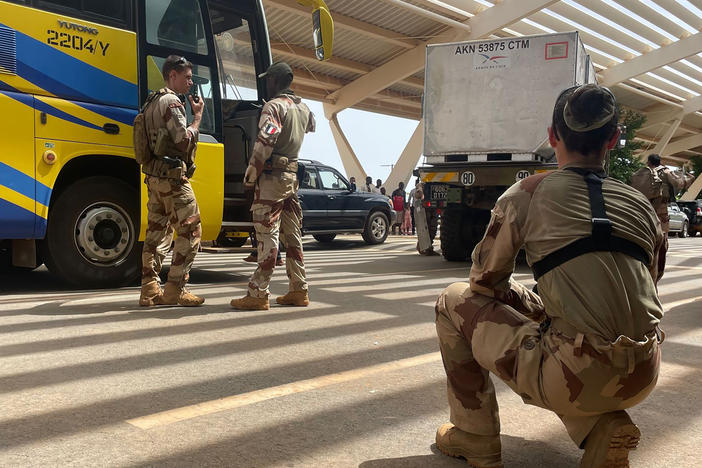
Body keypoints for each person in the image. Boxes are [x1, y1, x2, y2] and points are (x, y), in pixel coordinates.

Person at [434, 84, 665, 468]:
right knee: (556, 314)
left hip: (574, 372)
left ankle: (475, 435)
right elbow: (647, 285)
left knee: (453, 300)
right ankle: (602, 425)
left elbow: (484, 283)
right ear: (614, 138)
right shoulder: (641, 205)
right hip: (644, 369)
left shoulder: (527, 193)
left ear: (552, 135)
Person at [230, 62, 314, 310]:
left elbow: (264, 143)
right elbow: (311, 127)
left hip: (271, 180)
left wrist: (250, 177)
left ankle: (257, 293)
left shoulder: (274, 107)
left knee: (267, 235)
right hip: (291, 179)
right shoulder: (304, 108)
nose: (266, 84)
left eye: (268, 80)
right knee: (293, 236)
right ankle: (299, 290)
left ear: (276, 81)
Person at [139, 55, 205, 307]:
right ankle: (175, 288)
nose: (190, 82)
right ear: (172, 76)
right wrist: (197, 119)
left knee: (156, 234)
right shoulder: (172, 103)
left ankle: (149, 290)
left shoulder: (151, 102)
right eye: (187, 77)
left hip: (154, 180)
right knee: (191, 230)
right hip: (173, 180)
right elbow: (182, 141)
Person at [631, 154, 694, 279]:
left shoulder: (639, 173)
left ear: (648, 162)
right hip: (660, 212)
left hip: (641, 211)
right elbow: (679, 184)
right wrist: (689, 179)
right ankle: (656, 274)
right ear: (660, 162)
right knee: (661, 244)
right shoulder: (666, 172)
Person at [414, 181, 439, 255]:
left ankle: (423, 247)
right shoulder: (423, 185)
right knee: (430, 228)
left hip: (429, 208)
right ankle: (427, 248)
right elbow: (418, 194)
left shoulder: (423, 184)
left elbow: (418, 194)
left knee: (428, 228)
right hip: (427, 209)